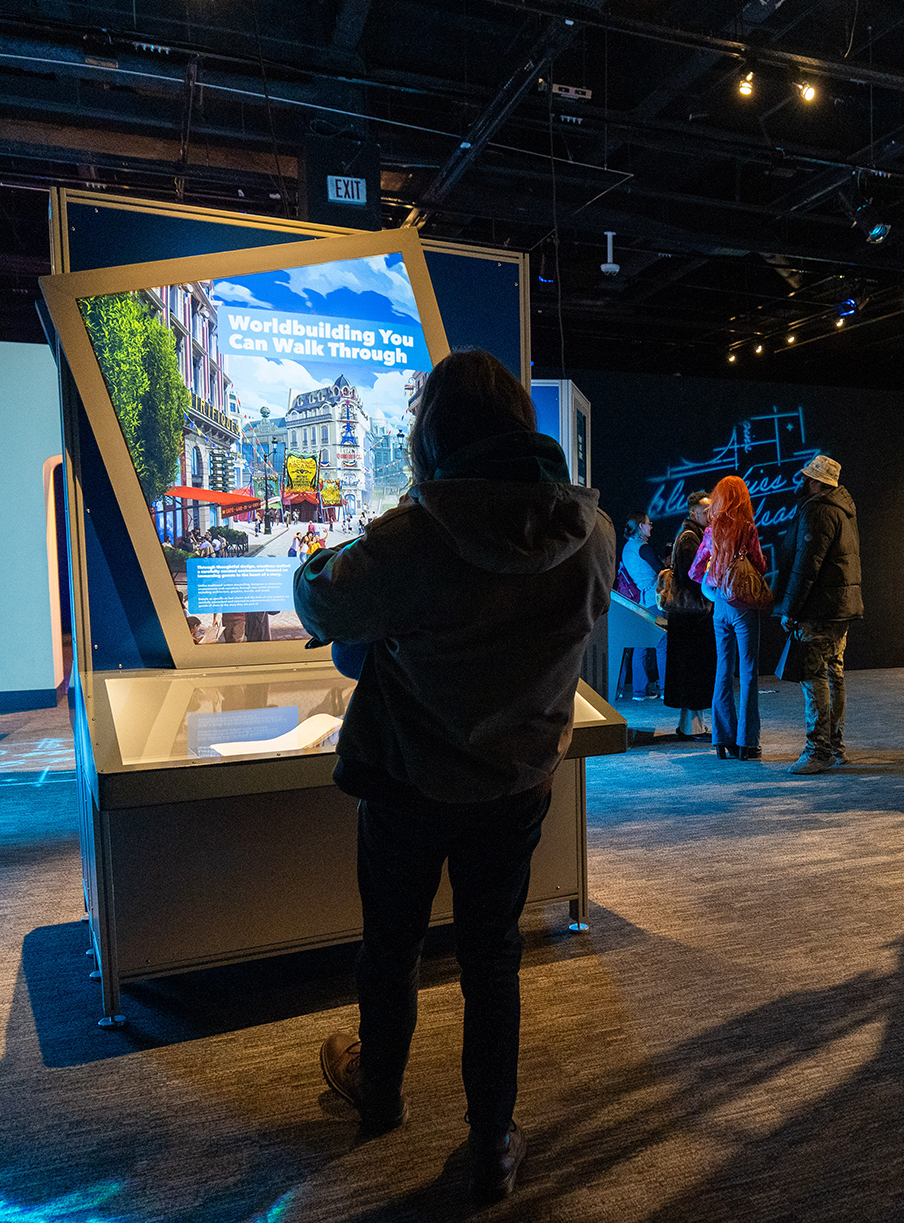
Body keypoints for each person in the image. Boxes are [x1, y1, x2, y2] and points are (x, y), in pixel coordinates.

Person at [294, 348, 612, 1203]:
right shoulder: (593, 530)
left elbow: (323, 602)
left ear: (433, 431)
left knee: (391, 947)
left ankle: (382, 1093)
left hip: (407, 782)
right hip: (517, 786)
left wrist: (315, 558)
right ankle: (494, 1138)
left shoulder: (416, 533)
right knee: (494, 956)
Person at [773, 454, 862, 775]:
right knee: (834, 675)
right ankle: (835, 746)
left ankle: (818, 750)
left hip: (818, 612)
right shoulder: (844, 510)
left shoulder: (818, 511)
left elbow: (805, 566)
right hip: (840, 610)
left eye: (806, 477)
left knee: (814, 678)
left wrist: (790, 609)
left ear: (814, 482)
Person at [689, 475, 767, 760]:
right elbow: (759, 563)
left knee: (723, 670)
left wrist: (716, 581)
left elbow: (695, 570)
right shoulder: (747, 527)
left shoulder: (711, 530)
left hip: (720, 606)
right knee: (748, 673)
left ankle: (722, 740)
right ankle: (748, 742)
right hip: (743, 606)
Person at [663, 492, 716, 740]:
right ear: (693, 512)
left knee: (691, 672)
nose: (710, 515)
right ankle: (692, 728)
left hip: (687, 617)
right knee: (694, 671)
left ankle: (691, 726)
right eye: (706, 511)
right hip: (691, 618)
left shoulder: (691, 535)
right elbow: (693, 578)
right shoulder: (690, 539)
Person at [616, 511, 666, 700]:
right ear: (640, 527)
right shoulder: (644, 548)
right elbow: (661, 570)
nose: (651, 526)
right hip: (654, 599)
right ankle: (665, 690)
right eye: (648, 523)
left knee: (640, 645)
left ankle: (639, 691)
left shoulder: (627, 548)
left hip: (639, 602)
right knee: (662, 644)